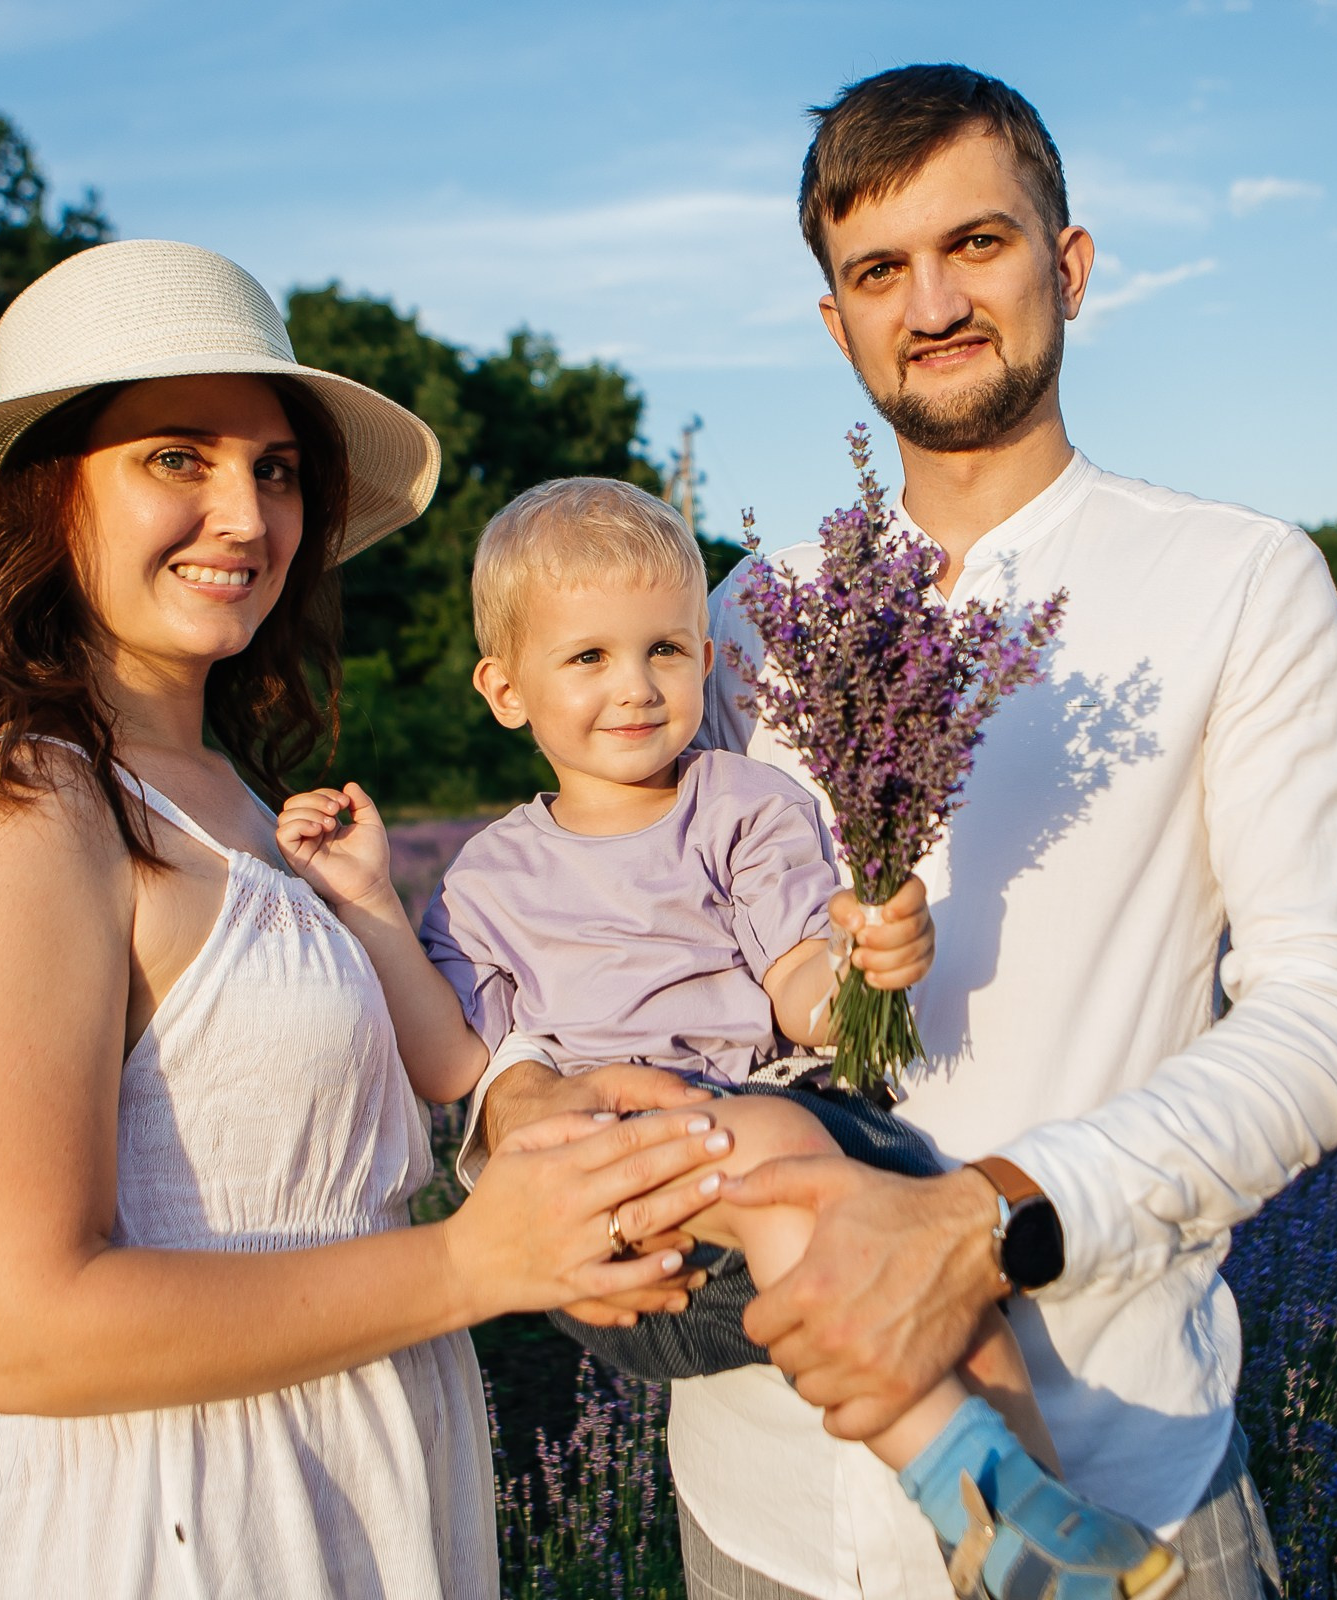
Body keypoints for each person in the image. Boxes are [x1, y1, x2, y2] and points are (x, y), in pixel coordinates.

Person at [469, 64, 1337, 1600]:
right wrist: (518, 1100)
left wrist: (990, 1219)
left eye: (977, 243)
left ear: (1071, 264)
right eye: (878, 270)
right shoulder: (735, 621)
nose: (934, 301)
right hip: (762, 1489)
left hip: (1116, 1457)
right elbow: (590, 896)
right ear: (836, 322)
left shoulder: (1237, 583)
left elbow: (1329, 1010)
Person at [0, 238, 734, 1599]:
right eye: (176, 458)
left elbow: (316, 1138)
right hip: (186, 1528)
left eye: (273, 468)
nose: (246, 513)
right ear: (49, 500)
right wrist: (472, 1262)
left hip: (362, 1479)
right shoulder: (9, 809)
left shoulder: (243, 805)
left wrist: (519, 1107)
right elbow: (20, 1333)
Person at [273, 476, 1182, 1600]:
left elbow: (799, 985)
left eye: (665, 649)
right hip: (629, 1223)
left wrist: (863, 962)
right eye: (589, 658)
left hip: (800, 1132)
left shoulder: (743, 803)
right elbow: (456, 1065)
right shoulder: (491, 879)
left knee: (944, 1266)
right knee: (779, 1157)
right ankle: (959, 1473)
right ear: (505, 691)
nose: (636, 687)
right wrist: (366, 900)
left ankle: (1036, 1529)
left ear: (708, 660)